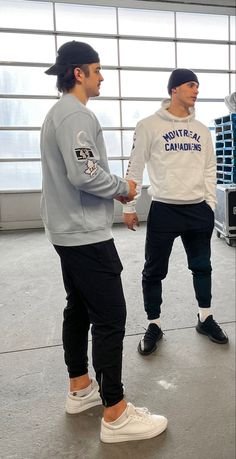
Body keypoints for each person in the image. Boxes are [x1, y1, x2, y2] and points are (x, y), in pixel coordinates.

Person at [40, 40, 168, 443]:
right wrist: (123, 189)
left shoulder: (62, 114)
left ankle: (81, 388)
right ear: (78, 73)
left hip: (69, 230)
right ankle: (115, 413)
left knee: (78, 308)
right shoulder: (74, 115)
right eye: (97, 70)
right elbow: (85, 172)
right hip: (84, 234)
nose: (101, 77)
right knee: (110, 317)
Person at [123, 68, 229, 356]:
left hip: (197, 211)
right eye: (191, 85)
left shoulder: (201, 130)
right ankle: (154, 324)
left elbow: (210, 169)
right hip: (164, 210)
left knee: (202, 267)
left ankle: (205, 318)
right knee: (154, 270)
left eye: (198, 86)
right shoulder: (148, 125)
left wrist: (210, 205)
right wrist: (129, 205)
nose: (196, 90)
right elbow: (136, 166)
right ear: (174, 90)